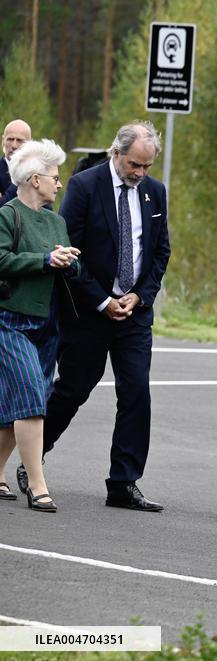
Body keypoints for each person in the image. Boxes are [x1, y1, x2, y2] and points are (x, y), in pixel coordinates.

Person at [33, 121, 171, 512]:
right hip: (89, 312)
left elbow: (160, 252)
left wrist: (139, 296)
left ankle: (123, 483)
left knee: (136, 393)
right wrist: (101, 300)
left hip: (134, 313)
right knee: (73, 388)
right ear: (116, 153)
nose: (140, 174)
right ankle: (33, 458)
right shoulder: (84, 186)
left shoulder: (154, 193)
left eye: (146, 167)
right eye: (134, 165)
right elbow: (67, 250)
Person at [0, 139, 80, 512]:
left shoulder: (56, 220)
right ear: (35, 179)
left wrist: (67, 261)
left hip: (49, 322)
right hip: (11, 320)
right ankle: (37, 484)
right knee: (32, 399)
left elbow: (70, 265)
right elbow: (2, 259)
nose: (59, 184)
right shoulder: (7, 215)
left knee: (11, 407)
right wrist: (45, 260)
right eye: (54, 177)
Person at [1, 119, 33, 205]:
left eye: (20, 140)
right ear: (3, 141)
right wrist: (17, 182)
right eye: (10, 139)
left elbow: (46, 210)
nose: (14, 145)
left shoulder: (37, 173)